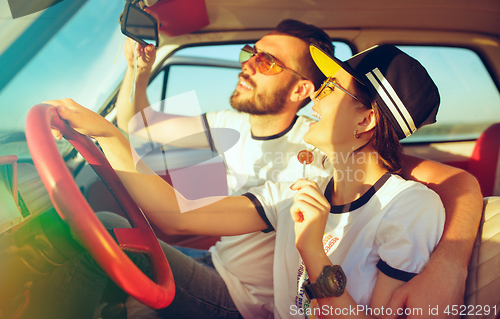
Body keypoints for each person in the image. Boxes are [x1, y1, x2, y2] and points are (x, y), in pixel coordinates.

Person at [45, 44, 449, 318]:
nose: (315, 98)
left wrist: (313, 250)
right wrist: (108, 135)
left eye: (329, 88)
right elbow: (183, 217)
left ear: (365, 119)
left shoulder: (410, 208)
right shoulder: (304, 181)